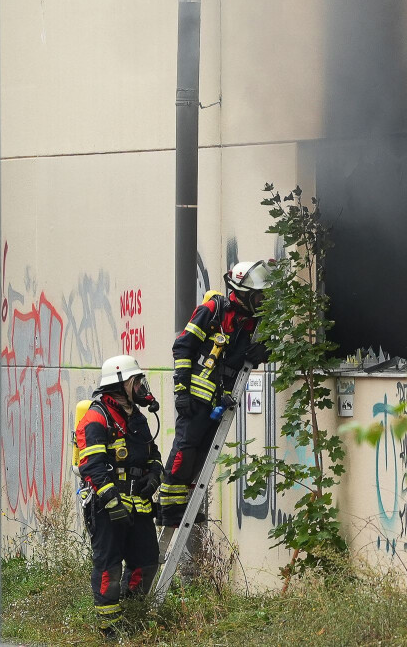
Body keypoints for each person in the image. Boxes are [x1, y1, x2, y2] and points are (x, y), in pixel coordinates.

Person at [158, 260, 272, 527]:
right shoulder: (214, 310)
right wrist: (181, 391)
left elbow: (265, 350)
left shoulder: (255, 322)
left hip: (221, 400)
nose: (262, 300)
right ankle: (168, 507)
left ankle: (182, 505)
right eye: (258, 295)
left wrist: (264, 351)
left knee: (202, 454)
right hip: (196, 398)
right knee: (185, 450)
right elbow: (182, 347)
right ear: (243, 293)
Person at [76, 355, 163, 637]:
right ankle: (110, 629)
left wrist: (154, 476)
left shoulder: (137, 417)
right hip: (106, 509)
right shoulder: (97, 416)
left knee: (147, 563)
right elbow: (92, 467)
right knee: (109, 568)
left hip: (138, 506)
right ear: (120, 384)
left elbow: (154, 455)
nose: (141, 387)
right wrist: (112, 502)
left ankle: (133, 615)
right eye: (136, 381)